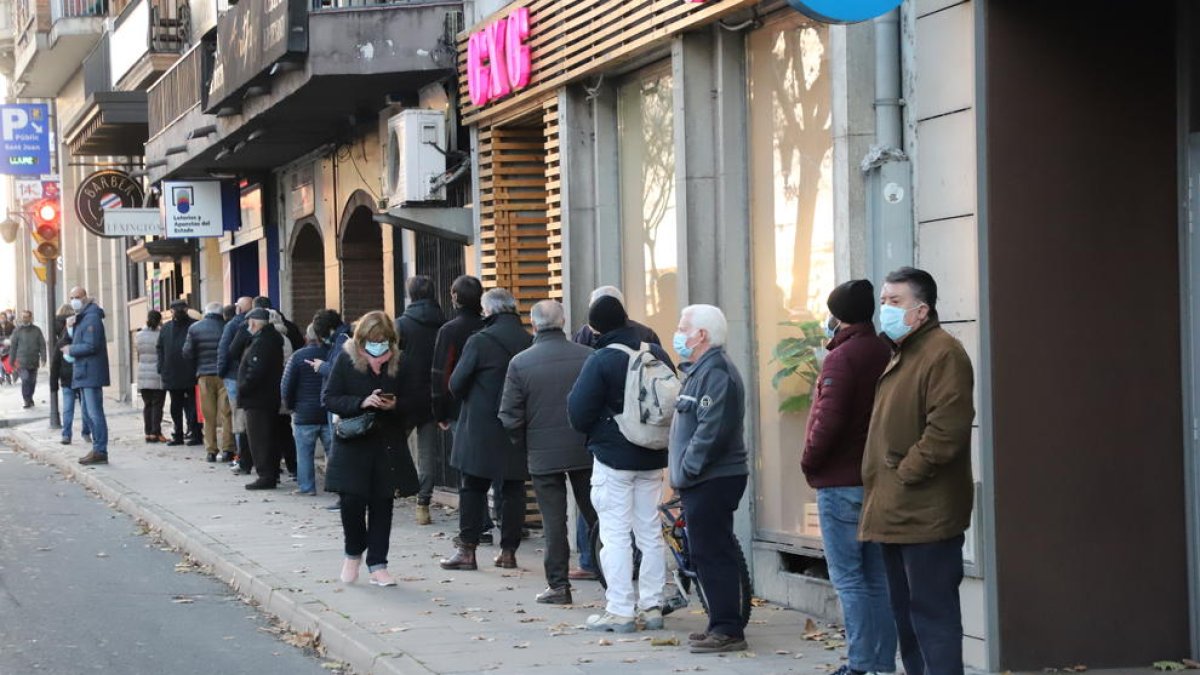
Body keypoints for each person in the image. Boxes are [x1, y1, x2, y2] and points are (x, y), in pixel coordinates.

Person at [860, 267, 975, 675]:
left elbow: (947, 430)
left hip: (926, 511)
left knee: (932, 617)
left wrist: (906, 471)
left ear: (921, 311)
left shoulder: (942, 353)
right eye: (883, 301)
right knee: (907, 616)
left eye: (894, 302)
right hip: (897, 508)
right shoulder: (904, 352)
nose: (885, 310)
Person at [802, 280, 897, 675]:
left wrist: (810, 461)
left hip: (840, 482)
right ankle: (881, 664)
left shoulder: (841, 359)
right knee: (877, 579)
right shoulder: (885, 350)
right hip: (875, 480)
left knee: (849, 579)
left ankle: (860, 664)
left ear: (837, 316)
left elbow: (829, 419)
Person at [567, 296, 674, 633]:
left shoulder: (601, 359)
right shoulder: (655, 352)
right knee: (650, 532)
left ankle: (620, 610)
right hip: (654, 455)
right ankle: (653, 606)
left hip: (614, 459)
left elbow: (578, 413)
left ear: (595, 327)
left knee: (615, 535)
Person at [498, 300, 596, 604]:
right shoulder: (588, 357)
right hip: (586, 450)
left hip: (543, 455)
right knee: (599, 516)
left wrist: (526, 443)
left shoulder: (521, 363)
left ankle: (558, 585)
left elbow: (509, 415)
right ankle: (615, 580)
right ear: (564, 321)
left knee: (554, 522)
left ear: (534, 323)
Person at [666, 304, 751, 653]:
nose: (678, 333)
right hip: (702, 480)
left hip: (712, 479)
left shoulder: (717, 373)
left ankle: (729, 629)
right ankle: (719, 622)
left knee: (713, 553)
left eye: (683, 327)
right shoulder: (700, 370)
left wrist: (684, 472)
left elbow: (710, 433)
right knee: (706, 552)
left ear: (701, 335)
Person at [323, 310, 419, 587]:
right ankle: (353, 553)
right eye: (372, 339)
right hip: (353, 444)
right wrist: (361, 403)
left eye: (383, 340)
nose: (378, 345)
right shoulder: (346, 359)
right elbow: (329, 398)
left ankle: (378, 564)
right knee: (351, 503)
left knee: (382, 504)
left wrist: (395, 404)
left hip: (386, 445)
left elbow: (417, 400)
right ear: (361, 338)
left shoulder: (401, 363)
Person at [440, 288, 532, 571]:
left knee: (472, 489)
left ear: (489, 311)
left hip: (480, 427)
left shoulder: (479, 341)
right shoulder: (529, 340)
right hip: (515, 426)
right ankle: (508, 552)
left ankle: (467, 551)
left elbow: (455, 384)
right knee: (514, 490)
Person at [431, 275, 492, 541]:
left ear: (455, 297)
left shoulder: (450, 330)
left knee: (469, 471)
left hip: (460, 408)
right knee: (496, 469)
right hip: (492, 405)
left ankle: (478, 525)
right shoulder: (488, 326)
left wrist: (440, 411)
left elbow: (440, 373)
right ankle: (498, 520)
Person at [394, 275, 445, 525]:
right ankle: (423, 505)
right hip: (433, 397)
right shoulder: (443, 324)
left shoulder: (401, 324)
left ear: (410, 295)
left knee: (391, 445)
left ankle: (390, 490)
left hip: (404, 397)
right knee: (427, 454)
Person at [237, 308, 286, 490]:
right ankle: (269, 473)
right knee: (267, 437)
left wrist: (243, 388)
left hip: (258, 399)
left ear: (253, 323)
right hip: (266, 397)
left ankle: (266, 475)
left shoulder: (262, 342)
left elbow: (256, 372)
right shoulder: (268, 339)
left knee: (260, 439)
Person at [283, 324, 331, 496]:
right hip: (327, 412)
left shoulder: (297, 357)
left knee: (304, 454)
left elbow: (286, 386)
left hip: (304, 413)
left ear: (306, 337)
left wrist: (290, 406)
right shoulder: (331, 354)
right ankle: (335, 486)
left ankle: (307, 487)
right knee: (332, 451)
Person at [184, 302, 234, 462]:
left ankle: (211, 451)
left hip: (204, 375)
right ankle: (228, 449)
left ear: (206, 312)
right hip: (224, 374)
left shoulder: (195, 328)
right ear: (221, 314)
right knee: (227, 414)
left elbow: (187, 352)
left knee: (208, 415)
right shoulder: (228, 327)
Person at [66, 287, 110, 466]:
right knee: (88, 413)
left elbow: (91, 345)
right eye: (71, 297)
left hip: (90, 372)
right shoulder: (82, 317)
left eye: (76, 297)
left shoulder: (91, 317)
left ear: (85, 297)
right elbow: (79, 339)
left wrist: (71, 350)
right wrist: (71, 329)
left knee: (94, 412)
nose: (73, 300)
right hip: (84, 372)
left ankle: (100, 450)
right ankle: (97, 449)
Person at [158, 300, 199, 447]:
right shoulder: (166, 328)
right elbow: (160, 348)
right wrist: (161, 367)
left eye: (181, 309)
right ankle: (179, 434)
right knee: (176, 406)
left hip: (190, 372)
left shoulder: (194, 325)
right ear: (171, 311)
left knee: (192, 406)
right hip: (172, 373)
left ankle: (194, 432)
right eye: (176, 309)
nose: (178, 312)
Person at [218, 297, 253, 471]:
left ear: (239, 309)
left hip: (234, 376)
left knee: (239, 418)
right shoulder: (264, 325)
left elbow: (224, 351)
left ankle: (241, 456)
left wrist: (221, 372)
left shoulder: (232, 326)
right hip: (254, 376)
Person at [54, 313, 91, 446]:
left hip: (81, 378)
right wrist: (54, 385)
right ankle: (66, 434)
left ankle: (86, 432)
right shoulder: (61, 343)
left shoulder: (82, 341)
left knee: (86, 408)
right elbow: (55, 364)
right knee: (68, 409)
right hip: (67, 380)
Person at [136, 310, 167, 443]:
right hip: (156, 373)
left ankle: (148, 433)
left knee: (147, 404)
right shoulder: (161, 335)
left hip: (143, 373)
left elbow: (138, 352)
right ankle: (156, 432)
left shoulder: (139, 335)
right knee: (157, 404)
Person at [10, 310, 46, 408]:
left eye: (26, 317)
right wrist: (11, 361)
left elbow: (42, 344)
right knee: (25, 379)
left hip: (34, 360)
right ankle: (26, 399)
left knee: (32, 381)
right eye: (23, 317)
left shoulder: (36, 330)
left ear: (30, 318)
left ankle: (30, 397)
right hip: (21, 361)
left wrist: (43, 358)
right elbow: (13, 346)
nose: (24, 319)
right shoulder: (17, 331)